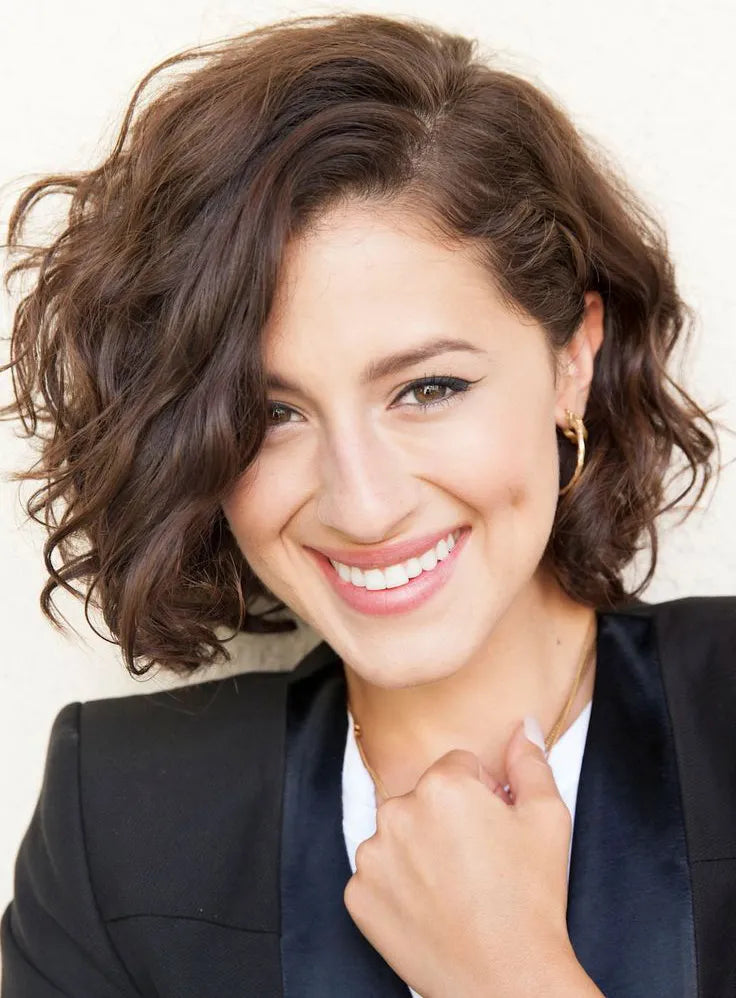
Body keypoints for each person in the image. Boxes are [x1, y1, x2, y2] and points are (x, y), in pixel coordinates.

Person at [1, 11, 733, 998]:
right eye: (272, 413)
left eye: (428, 388)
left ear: (573, 358)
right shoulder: (121, 826)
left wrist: (508, 973)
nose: (364, 502)